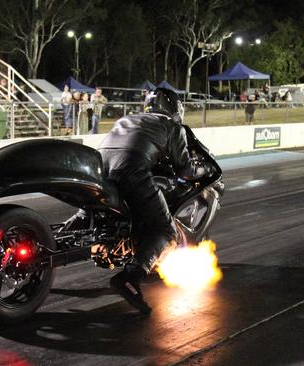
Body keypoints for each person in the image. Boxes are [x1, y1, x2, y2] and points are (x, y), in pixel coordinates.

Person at [64, 88, 211, 314]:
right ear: (173, 108)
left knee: (87, 214)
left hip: (98, 170)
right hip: (131, 170)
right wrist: (197, 168)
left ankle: (53, 242)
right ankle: (131, 276)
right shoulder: (172, 127)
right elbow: (185, 169)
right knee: (165, 229)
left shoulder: (128, 118)